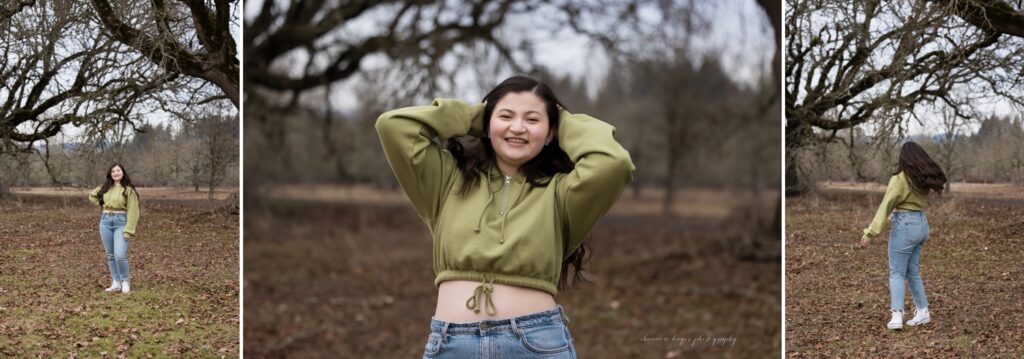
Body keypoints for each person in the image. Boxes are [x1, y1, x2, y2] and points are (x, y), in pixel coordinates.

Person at [376, 75, 634, 357]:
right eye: (506, 116)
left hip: (535, 344)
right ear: (487, 124)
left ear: (551, 133)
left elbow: (614, 164)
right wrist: (475, 116)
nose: (518, 127)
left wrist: (565, 122)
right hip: (451, 346)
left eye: (533, 120)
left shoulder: (563, 194)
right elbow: (394, 126)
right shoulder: (445, 181)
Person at [859, 141, 946, 330]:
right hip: (921, 224)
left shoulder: (900, 178)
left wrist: (870, 232)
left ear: (903, 158)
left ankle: (896, 316)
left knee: (897, 272)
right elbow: (907, 203)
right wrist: (898, 212)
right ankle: (923, 311)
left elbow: (886, 206)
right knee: (912, 271)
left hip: (905, 227)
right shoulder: (922, 179)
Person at [88, 163, 141, 294]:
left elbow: (134, 211)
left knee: (119, 255)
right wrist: (103, 206)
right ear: (110, 174)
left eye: (118, 170)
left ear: (123, 172)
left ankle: (125, 281)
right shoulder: (105, 187)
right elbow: (92, 196)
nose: (116, 173)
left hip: (121, 223)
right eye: (113, 171)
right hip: (105, 222)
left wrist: (129, 230)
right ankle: (116, 282)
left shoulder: (128, 190)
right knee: (111, 255)